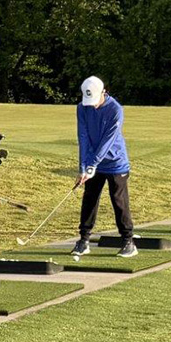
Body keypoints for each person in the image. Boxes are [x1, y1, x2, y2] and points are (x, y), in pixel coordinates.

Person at [70, 76, 136, 258]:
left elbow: (108, 140)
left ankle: (128, 241)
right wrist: (83, 167)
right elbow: (83, 136)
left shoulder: (115, 109)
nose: (92, 105)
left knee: (119, 201)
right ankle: (84, 240)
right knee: (89, 199)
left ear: (103, 92)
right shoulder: (82, 107)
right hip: (93, 162)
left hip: (115, 162)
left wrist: (92, 164)